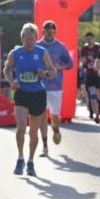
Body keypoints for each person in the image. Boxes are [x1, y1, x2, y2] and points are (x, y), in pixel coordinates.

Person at [3, 23, 57, 176]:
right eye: (27, 39)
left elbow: (53, 71)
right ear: (22, 38)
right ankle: (20, 157)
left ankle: (31, 161)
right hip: (21, 93)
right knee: (21, 127)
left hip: (38, 94)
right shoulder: (15, 53)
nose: (30, 42)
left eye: (33, 39)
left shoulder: (42, 53)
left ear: (36, 38)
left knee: (33, 133)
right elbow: (7, 69)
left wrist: (44, 74)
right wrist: (11, 81)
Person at [37, 20, 75, 156]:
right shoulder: (37, 46)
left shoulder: (60, 46)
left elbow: (70, 63)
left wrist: (61, 67)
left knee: (54, 116)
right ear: (43, 31)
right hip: (40, 86)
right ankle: (45, 146)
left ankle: (56, 130)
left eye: (52, 31)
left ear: (55, 32)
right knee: (41, 116)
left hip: (56, 86)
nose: (49, 33)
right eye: (47, 31)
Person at [80, 32, 100, 123]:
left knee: (99, 96)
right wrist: (84, 64)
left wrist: (95, 61)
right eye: (87, 39)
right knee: (92, 95)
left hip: (98, 75)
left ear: (93, 39)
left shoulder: (98, 48)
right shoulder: (84, 49)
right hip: (89, 75)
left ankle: (99, 110)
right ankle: (94, 114)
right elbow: (82, 61)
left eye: (90, 38)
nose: (89, 40)